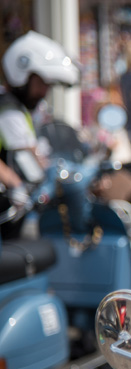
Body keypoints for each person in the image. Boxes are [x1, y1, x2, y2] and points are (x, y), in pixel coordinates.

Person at [0, 31, 79, 236]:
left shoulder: (19, 108)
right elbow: (28, 151)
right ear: (23, 74)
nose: (44, 91)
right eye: (41, 83)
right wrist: (16, 184)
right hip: (7, 206)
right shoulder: (8, 109)